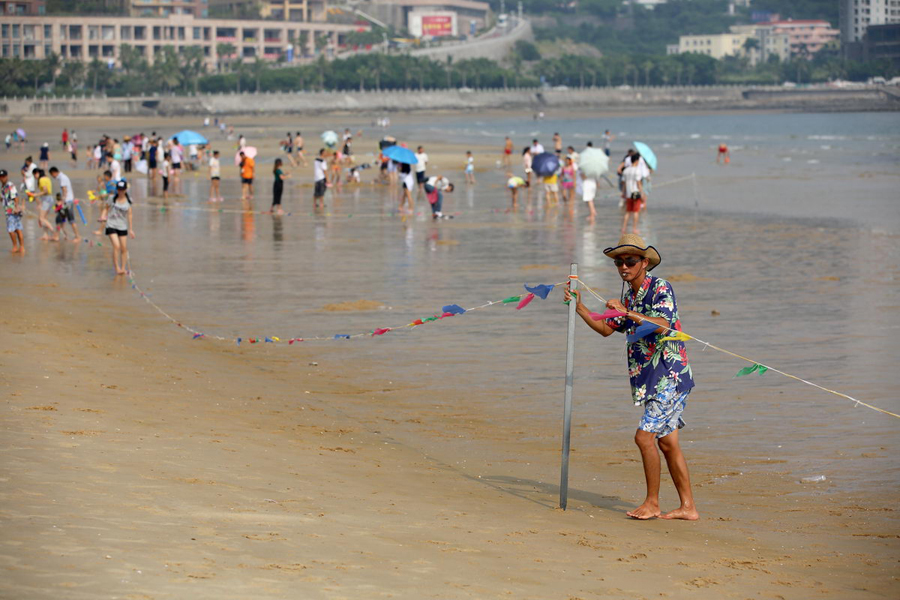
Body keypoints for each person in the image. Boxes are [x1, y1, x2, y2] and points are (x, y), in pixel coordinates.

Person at [564, 234, 698, 521]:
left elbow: (662, 325)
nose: (623, 267)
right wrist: (580, 307)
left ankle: (652, 502)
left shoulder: (660, 287)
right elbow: (606, 329)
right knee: (667, 442)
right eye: (619, 263)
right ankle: (688, 508)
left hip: (669, 373)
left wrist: (629, 313)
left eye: (630, 261)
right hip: (649, 376)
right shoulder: (628, 295)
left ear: (644, 262)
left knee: (643, 437)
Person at [105, 180, 135, 275]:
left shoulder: (129, 200)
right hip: (111, 224)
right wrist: (102, 217)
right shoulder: (111, 198)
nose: (120, 191)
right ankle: (117, 268)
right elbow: (106, 208)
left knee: (124, 248)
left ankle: (123, 268)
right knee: (116, 246)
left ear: (125, 190)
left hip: (122, 226)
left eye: (122, 190)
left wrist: (130, 229)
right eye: (118, 189)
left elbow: (129, 214)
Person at [621, 152, 645, 234]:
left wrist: (623, 193)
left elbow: (623, 183)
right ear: (636, 161)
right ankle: (634, 228)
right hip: (635, 193)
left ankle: (624, 228)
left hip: (628, 194)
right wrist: (642, 194)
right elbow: (639, 183)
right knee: (636, 212)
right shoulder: (637, 171)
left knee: (628, 211)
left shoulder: (626, 170)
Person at [3, 169, 24, 253]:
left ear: (7, 176)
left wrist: (16, 207)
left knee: (11, 230)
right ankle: (21, 247)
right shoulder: (3, 186)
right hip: (9, 210)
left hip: (11, 211)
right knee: (18, 229)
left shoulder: (9, 185)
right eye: (0, 177)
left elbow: (15, 196)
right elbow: (4, 198)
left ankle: (15, 247)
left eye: (3, 176)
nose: (2, 178)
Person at [48, 166, 72, 240]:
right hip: (63, 217)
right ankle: (65, 236)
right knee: (62, 227)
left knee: (59, 226)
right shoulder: (59, 202)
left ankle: (57, 236)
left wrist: (60, 202)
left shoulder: (60, 202)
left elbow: (56, 209)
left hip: (60, 216)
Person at [35, 168, 56, 241]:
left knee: (41, 218)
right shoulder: (47, 178)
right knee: (45, 218)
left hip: (46, 200)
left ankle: (54, 232)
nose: (35, 177)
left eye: (34, 175)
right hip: (49, 199)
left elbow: (45, 191)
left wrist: (36, 195)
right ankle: (45, 235)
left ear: (37, 173)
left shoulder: (41, 180)